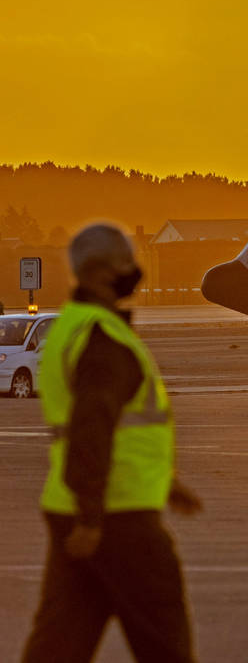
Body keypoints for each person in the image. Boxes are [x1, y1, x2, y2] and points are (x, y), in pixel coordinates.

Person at [22, 223, 203, 663]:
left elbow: (119, 427)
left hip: (74, 509)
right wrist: (92, 516)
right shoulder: (103, 338)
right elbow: (91, 426)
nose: (134, 272)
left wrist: (167, 481)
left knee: (59, 645)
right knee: (165, 644)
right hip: (116, 518)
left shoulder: (73, 326)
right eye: (126, 263)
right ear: (102, 272)